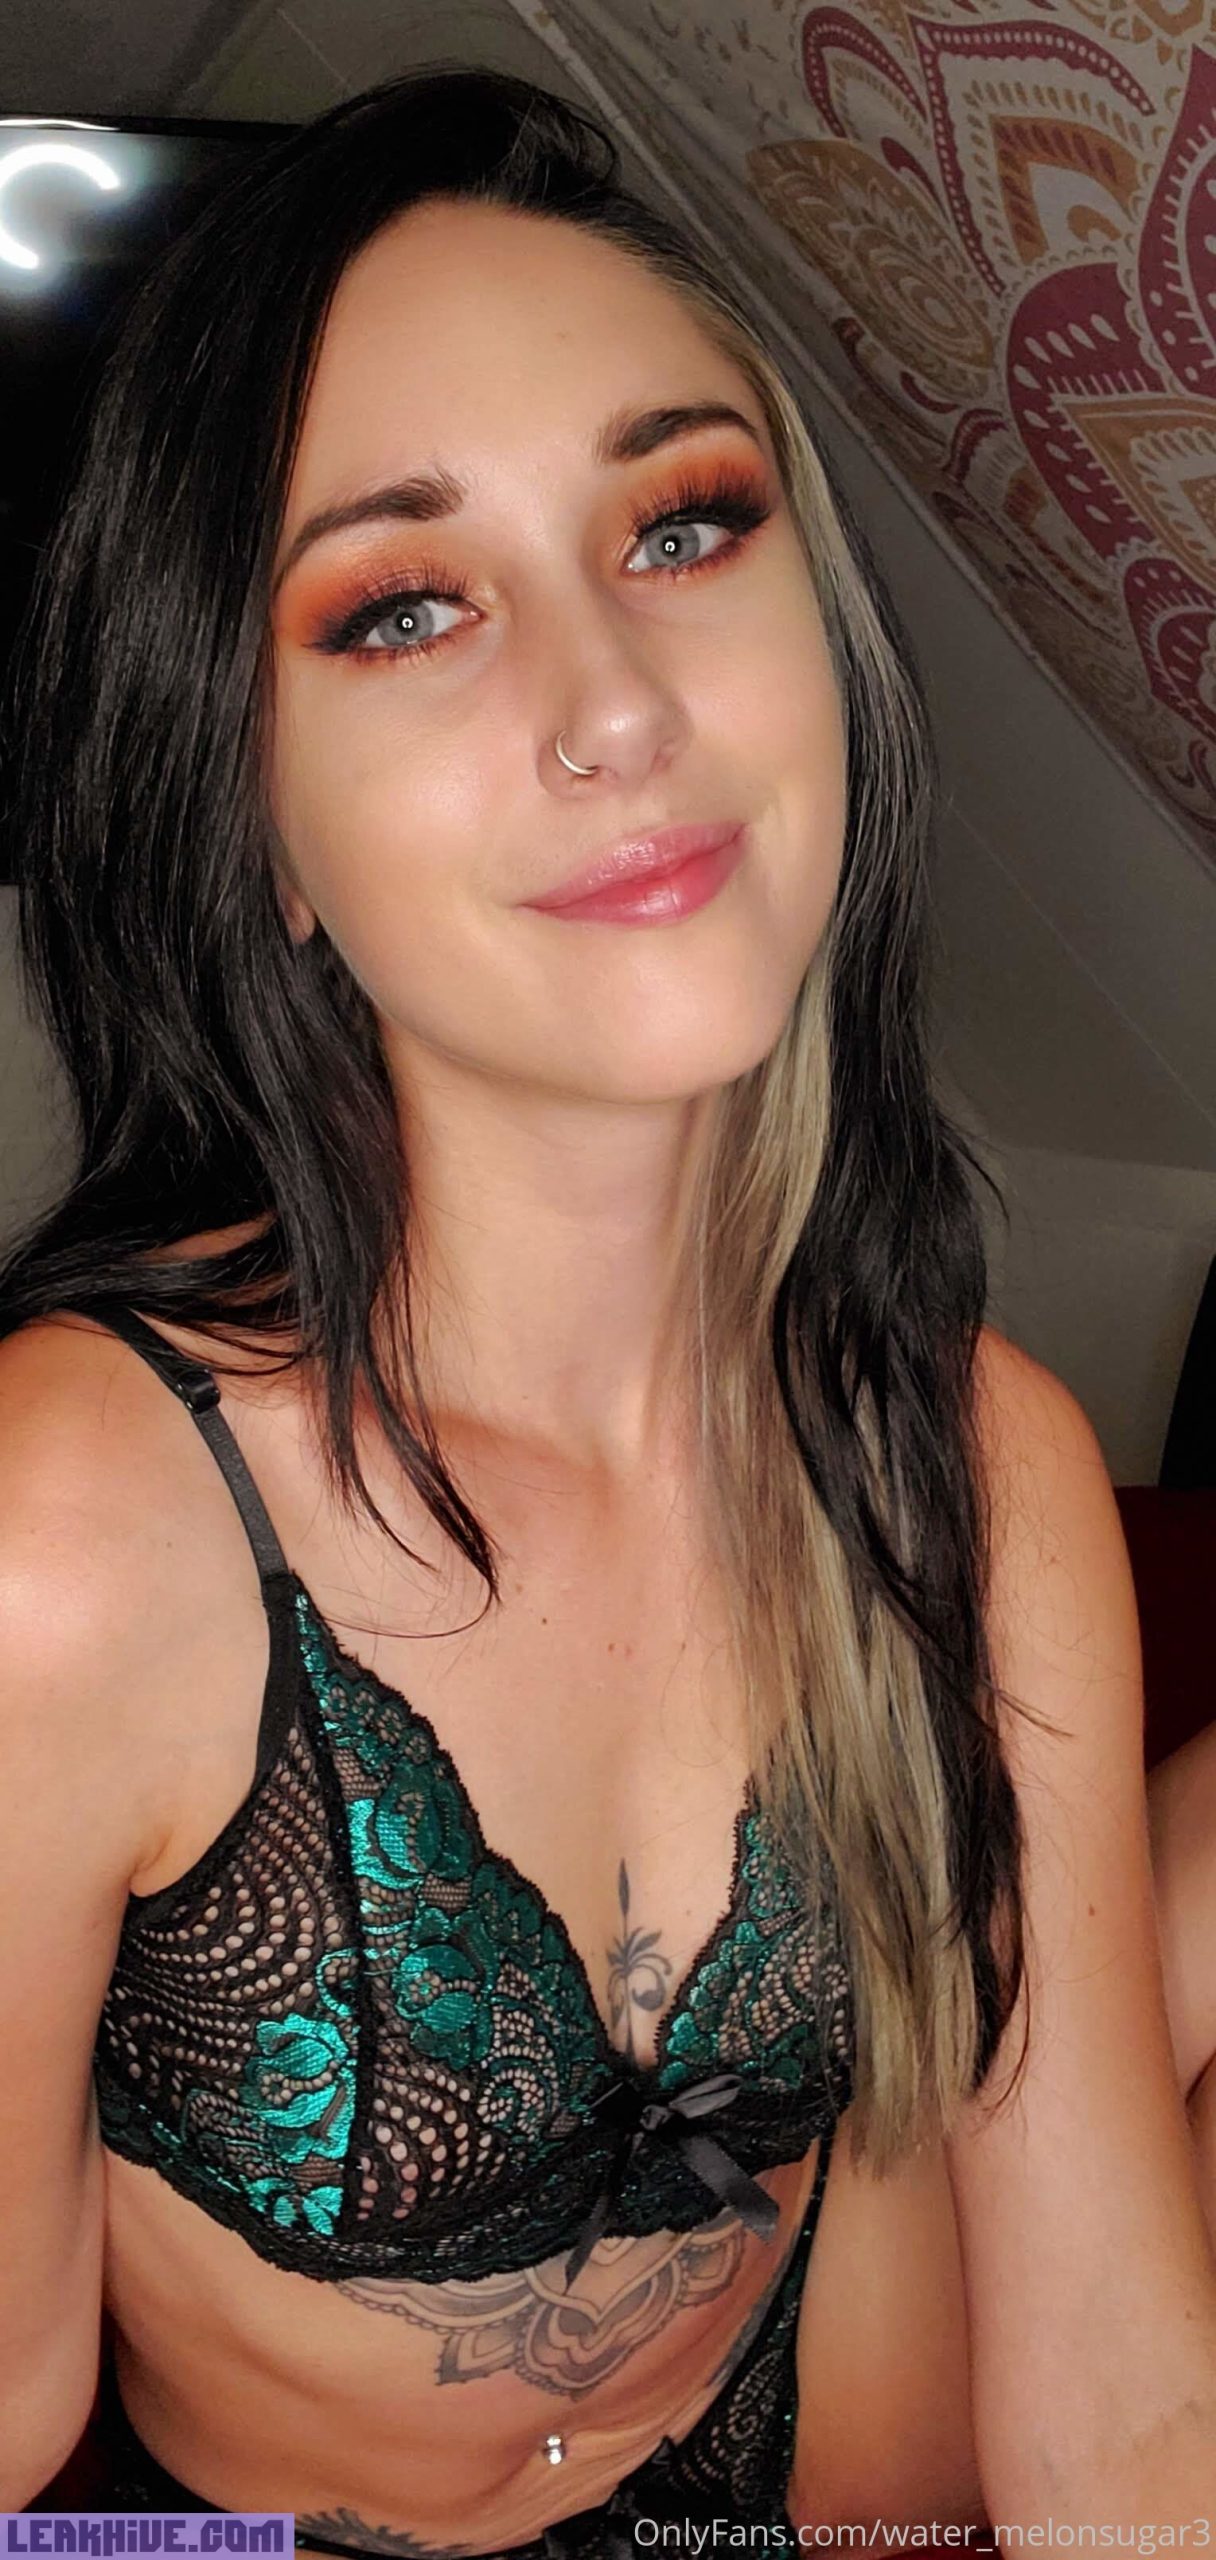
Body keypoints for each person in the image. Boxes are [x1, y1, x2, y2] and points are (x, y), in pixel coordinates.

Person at [1, 62, 1214, 2556]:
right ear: (258, 830)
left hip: (811, 2430)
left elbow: (1120, 2406)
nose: (618, 707)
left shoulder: (972, 1457)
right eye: (403, 606)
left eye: (679, 524)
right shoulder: (76, 1533)